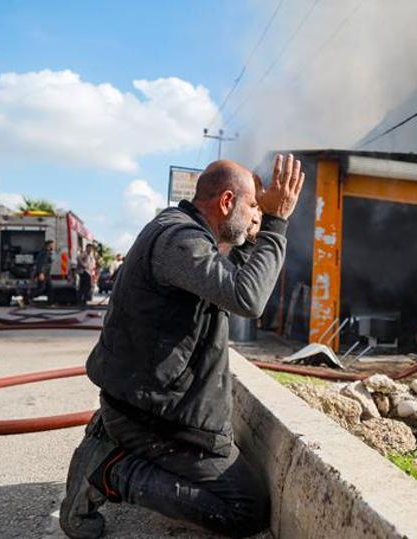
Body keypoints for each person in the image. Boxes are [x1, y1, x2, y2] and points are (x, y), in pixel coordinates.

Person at [59, 154, 305, 539]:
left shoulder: (183, 232)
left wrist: (252, 236)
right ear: (227, 202)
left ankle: (111, 439)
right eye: (253, 206)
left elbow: (224, 284)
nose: (259, 214)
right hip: (152, 416)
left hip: (151, 404)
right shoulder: (180, 240)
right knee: (246, 509)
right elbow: (247, 298)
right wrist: (276, 225)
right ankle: (110, 471)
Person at [25, 239, 54, 304]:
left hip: (47, 273)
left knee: (50, 288)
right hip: (43, 273)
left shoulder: (48, 252)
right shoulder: (44, 252)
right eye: (52, 244)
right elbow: (42, 263)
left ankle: (50, 302)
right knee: (41, 288)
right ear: (49, 245)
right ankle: (28, 297)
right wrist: (41, 273)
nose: (53, 246)